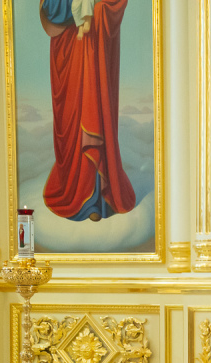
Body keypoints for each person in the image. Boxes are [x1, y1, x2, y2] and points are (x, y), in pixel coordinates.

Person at [40, 0, 136, 222]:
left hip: (95, 43)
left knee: (94, 111)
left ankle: (98, 199)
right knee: (71, 118)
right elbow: (50, 7)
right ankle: (76, 191)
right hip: (69, 46)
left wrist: (99, 9)